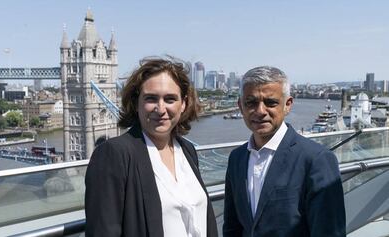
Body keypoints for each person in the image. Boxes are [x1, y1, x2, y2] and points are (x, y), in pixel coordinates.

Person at [85, 57, 218, 237]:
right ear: (136, 103)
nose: (160, 108)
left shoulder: (187, 150)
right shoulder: (114, 154)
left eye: (170, 99)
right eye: (151, 98)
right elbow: (103, 231)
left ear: (183, 103)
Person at [223, 66, 346, 237]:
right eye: (251, 102)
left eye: (270, 102)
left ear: (288, 105)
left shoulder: (316, 160)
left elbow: (328, 231)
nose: (260, 111)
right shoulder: (236, 158)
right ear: (240, 106)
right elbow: (232, 225)